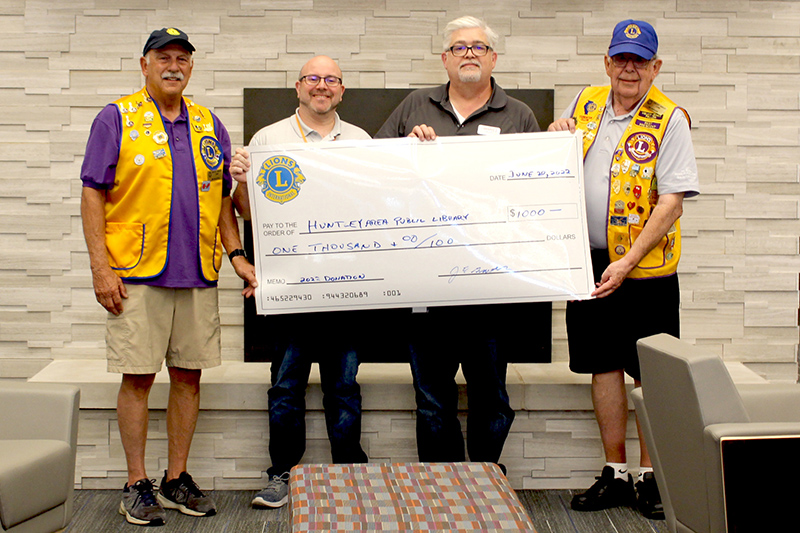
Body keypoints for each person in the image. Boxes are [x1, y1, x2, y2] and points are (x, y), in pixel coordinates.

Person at [80, 27, 257, 526]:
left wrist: (238, 254)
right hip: (135, 274)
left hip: (198, 272)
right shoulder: (116, 118)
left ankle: (175, 478)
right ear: (144, 64)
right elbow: (92, 192)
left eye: (182, 58)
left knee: (188, 377)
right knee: (137, 377)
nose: (173, 65)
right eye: (163, 57)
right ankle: (136, 483)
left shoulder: (209, 125)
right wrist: (100, 267)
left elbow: (222, 200)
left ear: (191, 68)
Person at [548, 19, 699, 520]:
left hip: (646, 270)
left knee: (648, 376)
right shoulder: (585, 101)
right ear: (607, 63)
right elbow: (557, 157)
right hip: (588, 263)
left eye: (640, 60)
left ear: (655, 67)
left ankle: (651, 476)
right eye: (621, 59)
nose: (629, 68)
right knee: (602, 363)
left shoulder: (670, 118)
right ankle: (615, 472)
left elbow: (673, 201)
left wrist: (627, 262)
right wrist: (555, 135)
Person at [374, 16, 540, 471]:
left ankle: (485, 474)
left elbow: (535, 191)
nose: (469, 53)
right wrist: (405, 149)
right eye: (460, 47)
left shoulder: (519, 115)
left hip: (490, 286)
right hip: (426, 287)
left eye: (479, 47)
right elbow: (371, 170)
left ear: (493, 58)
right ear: (445, 58)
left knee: (492, 396)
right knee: (431, 398)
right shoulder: (414, 107)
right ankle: (444, 484)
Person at [230, 55, 371, 509]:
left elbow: (375, 212)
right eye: (314, 78)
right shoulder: (268, 140)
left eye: (331, 79)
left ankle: (348, 469)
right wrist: (239, 182)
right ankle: (281, 474)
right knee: (286, 386)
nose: (322, 86)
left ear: (342, 90)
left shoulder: (362, 142)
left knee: (344, 386)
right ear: (298, 87)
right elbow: (248, 212)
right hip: (290, 290)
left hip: (346, 288)